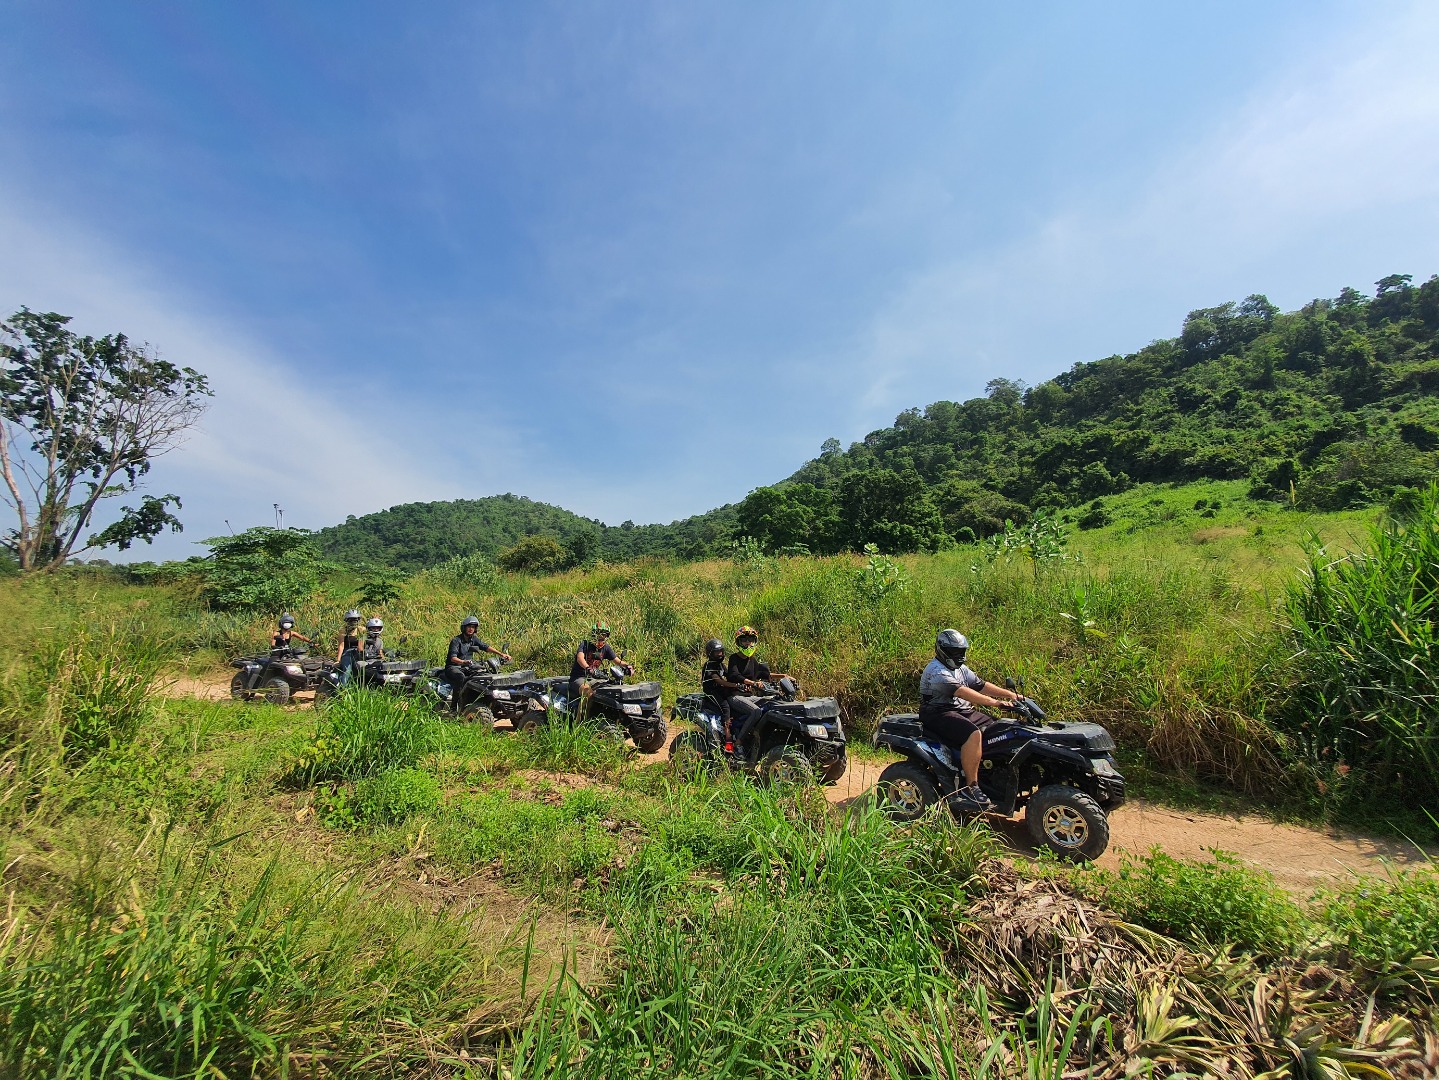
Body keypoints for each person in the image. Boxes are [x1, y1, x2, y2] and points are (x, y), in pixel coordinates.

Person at [918, 629, 1019, 812]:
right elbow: (965, 692)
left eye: (962, 652)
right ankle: (971, 788)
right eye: (955, 652)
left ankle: (989, 773)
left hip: (961, 710)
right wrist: (997, 703)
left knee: (999, 728)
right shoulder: (937, 671)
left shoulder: (960, 669)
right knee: (972, 734)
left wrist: (1012, 695)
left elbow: (980, 685)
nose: (960, 656)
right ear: (943, 650)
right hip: (937, 713)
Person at [725, 627, 789, 757]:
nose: (748, 643)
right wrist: (752, 683)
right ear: (738, 642)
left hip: (749, 697)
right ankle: (738, 743)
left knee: (771, 703)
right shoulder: (734, 659)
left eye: (750, 640)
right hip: (735, 696)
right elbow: (734, 675)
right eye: (744, 640)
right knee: (756, 711)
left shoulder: (752, 660)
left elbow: (765, 674)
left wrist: (784, 676)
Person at [445, 615, 511, 713]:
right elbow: (453, 658)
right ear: (464, 627)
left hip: (467, 666)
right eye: (469, 626)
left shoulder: (474, 639)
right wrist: (463, 662)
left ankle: (479, 700)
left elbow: (485, 647)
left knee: (484, 674)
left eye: (473, 627)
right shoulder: (456, 640)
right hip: (454, 667)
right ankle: (454, 708)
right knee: (460, 677)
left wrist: (501, 654)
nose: (471, 629)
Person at [568, 622, 631, 715]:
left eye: (603, 634)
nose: (601, 637)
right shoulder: (585, 644)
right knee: (588, 693)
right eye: (599, 633)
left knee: (613, 690)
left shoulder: (605, 648)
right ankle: (579, 723)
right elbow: (580, 658)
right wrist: (587, 668)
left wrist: (628, 666)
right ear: (594, 634)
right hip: (579, 678)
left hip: (594, 679)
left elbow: (617, 661)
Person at [700, 638, 744, 746]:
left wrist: (742, 682)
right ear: (710, 653)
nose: (720, 654)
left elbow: (729, 676)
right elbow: (719, 681)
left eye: (721, 651)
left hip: (720, 690)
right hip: (711, 692)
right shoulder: (709, 665)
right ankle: (727, 734)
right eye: (717, 652)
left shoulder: (720, 664)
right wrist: (735, 685)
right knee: (725, 706)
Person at [336, 609, 362, 685]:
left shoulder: (361, 630)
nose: (353, 622)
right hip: (347, 652)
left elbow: (362, 646)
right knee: (347, 670)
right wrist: (338, 660)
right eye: (351, 620)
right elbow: (341, 645)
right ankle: (343, 688)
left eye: (355, 620)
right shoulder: (343, 631)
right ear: (347, 621)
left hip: (359, 652)